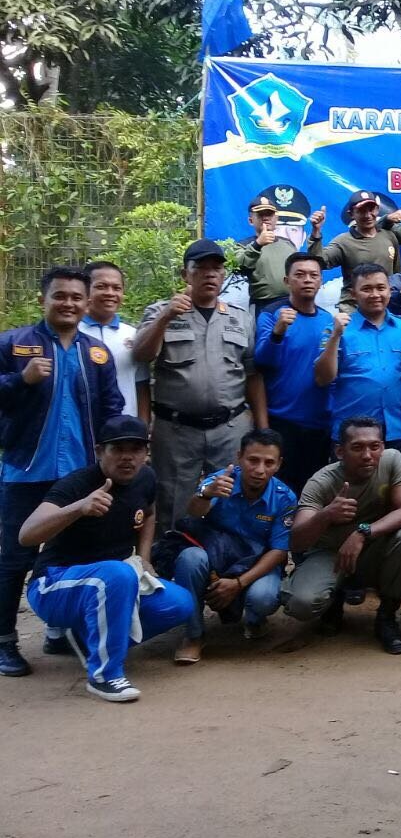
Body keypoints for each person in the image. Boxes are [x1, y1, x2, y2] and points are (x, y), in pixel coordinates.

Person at [0, 266, 125, 677]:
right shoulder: (14, 344)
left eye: (76, 297)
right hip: (25, 469)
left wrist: (112, 457)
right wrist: (21, 380)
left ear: (86, 303)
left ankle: (59, 631)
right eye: (60, 296)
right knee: (15, 557)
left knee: (71, 554)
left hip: (78, 474)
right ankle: (5, 641)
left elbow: (111, 408)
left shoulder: (97, 353)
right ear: (43, 300)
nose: (68, 303)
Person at [19, 415, 193, 701]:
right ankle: (104, 675)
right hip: (54, 584)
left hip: (112, 580)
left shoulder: (145, 477)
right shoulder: (77, 484)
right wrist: (78, 508)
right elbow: (26, 535)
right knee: (118, 574)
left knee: (180, 603)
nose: (127, 457)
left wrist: (144, 557)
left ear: (146, 452)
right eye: (118, 449)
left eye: (136, 449)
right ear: (99, 451)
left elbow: (149, 513)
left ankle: (86, 640)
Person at [133, 240, 265, 531]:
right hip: (176, 431)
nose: (209, 274)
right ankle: (173, 555)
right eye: (201, 268)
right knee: (173, 502)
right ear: (185, 274)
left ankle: (223, 555)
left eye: (216, 269)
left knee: (230, 498)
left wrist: (262, 427)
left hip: (230, 428)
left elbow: (253, 375)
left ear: (223, 275)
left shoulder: (240, 317)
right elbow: (141, 355)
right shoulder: (160, 311)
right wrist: (166, 317)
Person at [281, 417, 401, 654]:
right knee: (301, 605)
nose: (367, 455)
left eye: (374, 446)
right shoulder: (321, 482)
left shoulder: (392, 460)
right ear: (339, 452)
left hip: (373, 549)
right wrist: (326, 515)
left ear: (383, 446)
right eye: (357, 448)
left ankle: (387, 617)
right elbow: (296, 541)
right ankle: (332, 602)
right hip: (330, 554)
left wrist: (362, 532)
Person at [168, 429, 295, 664]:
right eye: (253, 460)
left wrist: (237, 584)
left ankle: (255, 620)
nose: (259, 470)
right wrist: (206, 495)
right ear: (239, 457)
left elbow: (279, 551)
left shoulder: (284, 498)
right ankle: (194, 635)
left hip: (256, 564)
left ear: (279, 464)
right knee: (189, 558)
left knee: (263, 598)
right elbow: (194, 513)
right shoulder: (221, 480)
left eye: (268, 463)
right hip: (215, 557)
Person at [315, 263, 401, 470]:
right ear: (353, 294)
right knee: (350, 489)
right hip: (353, 435)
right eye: (367, 289)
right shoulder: (337, 329)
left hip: (398, 430)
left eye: (380, 288)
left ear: (390, 290)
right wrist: (335, 336)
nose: (375, 294)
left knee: (398, 488)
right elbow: (323, 378)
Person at [254, 252, 333, 497]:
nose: (307, 280)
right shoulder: (271, 314)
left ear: (320, 281)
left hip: (319, 423)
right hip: (282, 421)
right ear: (287, 281)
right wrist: (277, 332)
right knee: (280, 493)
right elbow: (261, 363)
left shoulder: (328, 320)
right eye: (300, 275)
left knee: (312, 493)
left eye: (313, 275)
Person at [80, 261, 150, 420]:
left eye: (116, 288)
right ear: (85, 290)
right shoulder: (72, 333)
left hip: (124, 428)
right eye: (101, 286)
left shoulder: (134, 335)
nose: (110, 293)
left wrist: (143, 426)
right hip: (81, 426)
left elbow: (141, 384)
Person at [236, 189, 325, 311]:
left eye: (269, 214)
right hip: (264, 305)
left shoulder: (287, 244)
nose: (265, 218)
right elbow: (241, 267)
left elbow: (315, 264)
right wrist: (258, 244)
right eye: (260, 214)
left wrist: (315, 232)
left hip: (294, 303)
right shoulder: (243, 246)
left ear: (276, 218)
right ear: (251, 220)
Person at [319, 190, 401, 308]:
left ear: (377, 210)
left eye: (371, 209)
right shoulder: (343, 242)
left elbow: (397, 274)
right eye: (362, 210)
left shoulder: (389, 236)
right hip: (353, 309)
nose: (368, 215)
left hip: (384, 307)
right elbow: (319, 262)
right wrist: (315, 234)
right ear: (351, 214)